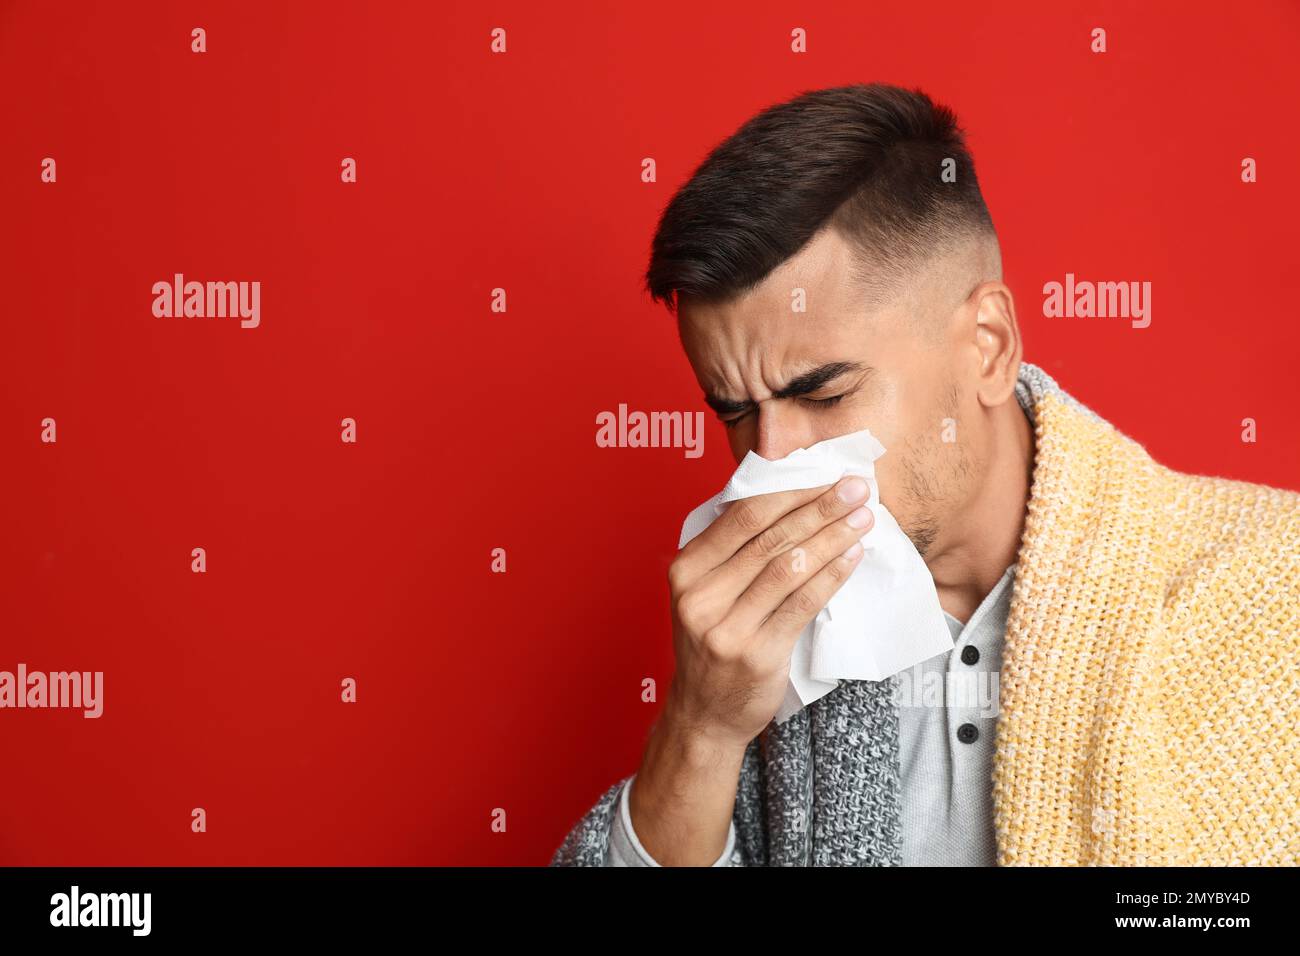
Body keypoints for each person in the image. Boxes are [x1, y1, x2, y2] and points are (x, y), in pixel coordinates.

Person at [551, 84, 1300, 866]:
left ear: (987, 345)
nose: (770, 459)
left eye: (823, 392)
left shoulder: (1271, 587)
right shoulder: (758, 651)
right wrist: (699, 727)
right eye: (734, 412)